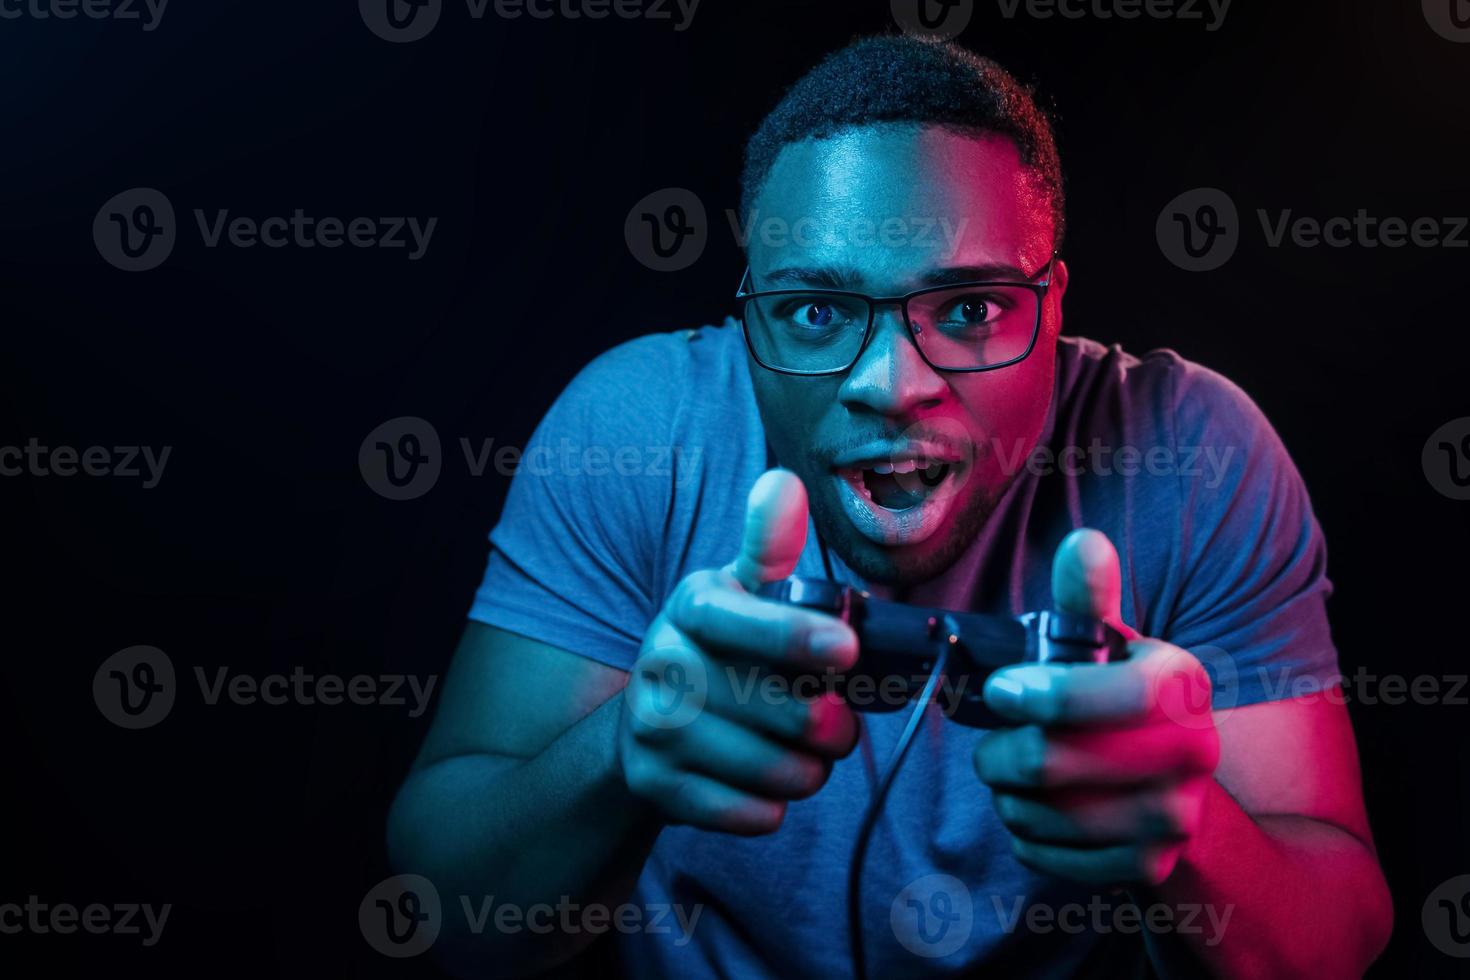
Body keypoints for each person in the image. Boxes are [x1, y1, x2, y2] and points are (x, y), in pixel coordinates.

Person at [387, 34, 1391, 978]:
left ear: (1054, 307)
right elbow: (445, 904)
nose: (890, 382)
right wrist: (622, 756)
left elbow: (1337, 928)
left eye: (969, 306)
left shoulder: (1194, 452)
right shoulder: (637, 431)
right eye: (816, 311)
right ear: (751, 311)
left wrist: (1188, 839)